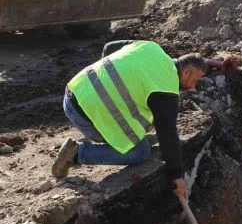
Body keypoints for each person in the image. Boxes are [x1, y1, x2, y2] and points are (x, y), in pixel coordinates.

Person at [51, 40, 208, 200]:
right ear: (186, 72)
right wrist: (177, 176)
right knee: (140, 152)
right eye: (195, 81)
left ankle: (111, 133)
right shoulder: (166, 90)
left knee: (140, 130)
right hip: (86, 116)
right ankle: (77, 154)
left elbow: (109, 47)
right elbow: (167, 134)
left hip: (75, 91)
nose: (194, 87)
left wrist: (107, 83)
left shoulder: (150, 47)